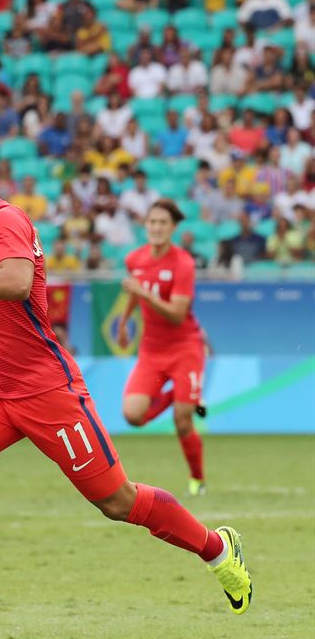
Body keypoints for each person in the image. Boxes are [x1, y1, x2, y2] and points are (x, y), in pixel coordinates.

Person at [0, 136, 252, 639]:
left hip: (47, 391)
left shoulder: (4, 221)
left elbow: (16, 282)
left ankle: (216, 548)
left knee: (117, 502)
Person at [118, 200, 209, 497]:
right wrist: (124, 321)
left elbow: (177, 314)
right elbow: (135, 289)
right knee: (133, 415)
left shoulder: (183, 263)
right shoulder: (135, 259)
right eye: (152, 222)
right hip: (152, 351)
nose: (156, 228)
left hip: (185, 348)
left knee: (183, 421)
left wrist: (142, 292)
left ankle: (197, 480)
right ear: (146, 225)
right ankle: (176, 396)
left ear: (173, 228)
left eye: (163, 223)